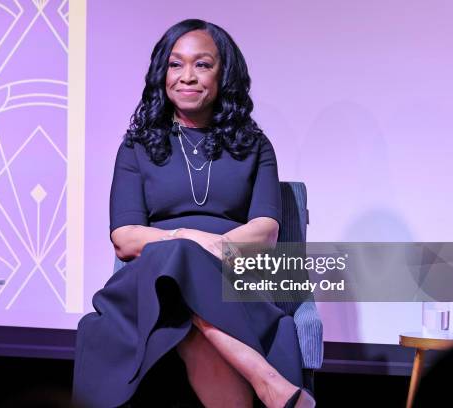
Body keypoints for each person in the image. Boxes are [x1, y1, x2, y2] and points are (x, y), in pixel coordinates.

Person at [72, 19, 315, 408]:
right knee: (177, 261)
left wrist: (206, 249)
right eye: (175, 64)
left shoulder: (254, 145)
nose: (187, 76)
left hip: (230, 276)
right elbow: (124, 238)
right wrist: (184, 240)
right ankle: (268, 382)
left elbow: (266, 232)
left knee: (187, 291)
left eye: (202, 65)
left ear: (224, 76)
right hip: (149, 282)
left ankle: (269, 385)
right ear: (161, 74)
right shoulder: (136, 147)